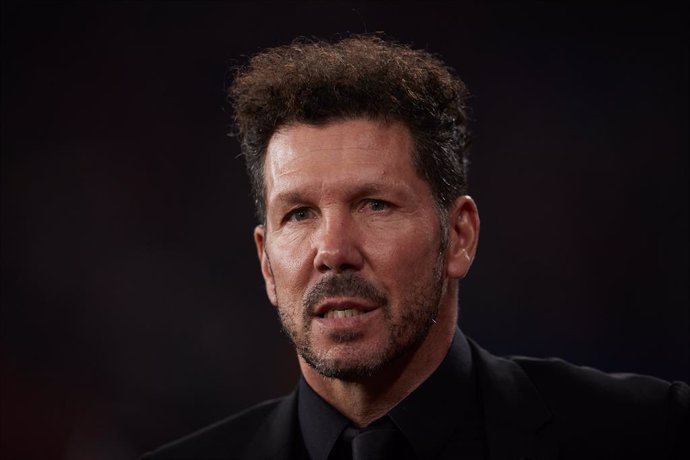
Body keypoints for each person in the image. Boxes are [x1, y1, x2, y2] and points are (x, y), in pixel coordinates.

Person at [143, 35, 688, 460]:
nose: (332, 250)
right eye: (300, 214)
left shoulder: (648, 433)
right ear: (265, 261)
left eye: (375, 204)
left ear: (459, 236)